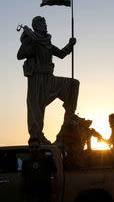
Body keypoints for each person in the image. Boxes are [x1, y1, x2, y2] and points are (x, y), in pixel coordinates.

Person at [17, 16, 79, 145]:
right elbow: (20, 55)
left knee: (73, 84)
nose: (45, 25)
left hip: (50, 79)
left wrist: (70, 44)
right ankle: (36, 136)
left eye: (45, 23)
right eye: (42, 23)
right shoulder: (31, 39)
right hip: (37, 79)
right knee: (36, 109)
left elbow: (61, 54)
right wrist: (32, 45)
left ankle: (68, 123)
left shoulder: (47, 42)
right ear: (35, 26)